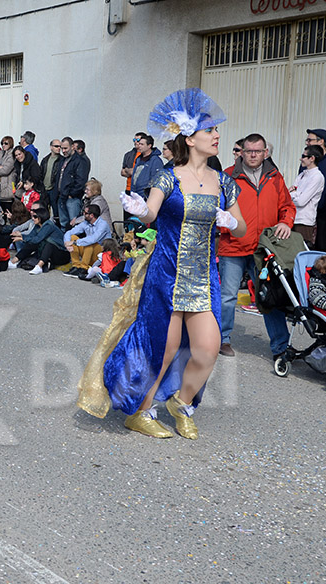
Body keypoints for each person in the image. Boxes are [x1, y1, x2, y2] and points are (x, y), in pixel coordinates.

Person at [78, 88, 246, 440]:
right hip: (167, 274)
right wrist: (141, 211)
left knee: (208, 349)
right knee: (163, 348)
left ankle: (182, 404)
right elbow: (152, 213)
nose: (217, 136)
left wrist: (230, 223)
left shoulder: (225, 181)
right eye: (210, 131)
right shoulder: (168, 177)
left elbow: (242, 225)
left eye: (216, 131)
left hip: (203, 278)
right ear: (190, 138)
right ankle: (143, 411)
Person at [218, 133, 294, 358]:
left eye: (257, 151)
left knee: (269, 297)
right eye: (248, 151)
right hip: (233, 245)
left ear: (265, 153)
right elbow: (216, 208)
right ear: (241, 152)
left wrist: (286, 222)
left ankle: (281, 346)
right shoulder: (228, 176)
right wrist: (226, 227)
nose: (252, 155)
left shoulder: (274, 177)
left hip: (264, 248)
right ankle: (222, 340)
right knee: (228, 296)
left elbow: (287, 206)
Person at [8, 206, 70, 275]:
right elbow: (31, 236)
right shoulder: (38, 225)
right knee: (31, 244)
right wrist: (21, 235)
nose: (32, 218)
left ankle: (39, 267)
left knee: (49, 244)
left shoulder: (48, 226)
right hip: (48, 253)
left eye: (35, 217)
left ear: (41, 217)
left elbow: (37, 239)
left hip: (62, 254)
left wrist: (22, 238)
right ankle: (13, 261)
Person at [288, 145, 325, 247]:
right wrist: (294, 194)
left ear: (312, 158)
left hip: (304, 221)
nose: (301, 159)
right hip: (293, 218)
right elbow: (288, 195)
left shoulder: (317, 177)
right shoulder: (302, 175)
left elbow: (301, 201)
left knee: (301, 251)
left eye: (303, 156)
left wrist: (292, 193)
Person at [62, 204, 113, 278]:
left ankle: (84, 268)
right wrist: (67, 244)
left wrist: (74, 243)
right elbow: (69, 232)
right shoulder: (85, 223)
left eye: (85, 213)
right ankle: (76, 266)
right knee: (73, 237)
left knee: (89, 243)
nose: (83, 214)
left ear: (91, 215)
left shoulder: (103, 224)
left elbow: (93, 239)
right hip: (88, 252)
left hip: (101, 254)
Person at [130, 135, 164, 201]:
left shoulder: (155, 160)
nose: (139, 146)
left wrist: (148, 197)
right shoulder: (139, 159)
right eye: (139, 144)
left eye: (142, 144)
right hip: (135, 196)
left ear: (149, 146)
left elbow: (156, 182)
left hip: (146, 198)